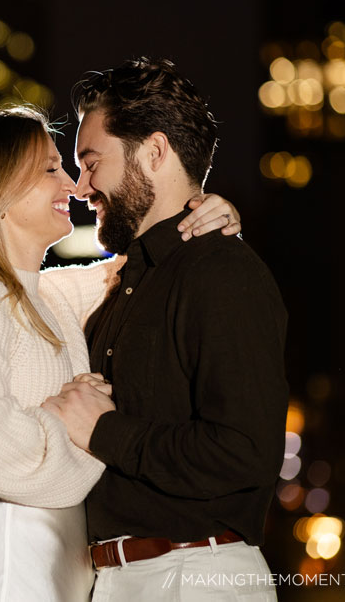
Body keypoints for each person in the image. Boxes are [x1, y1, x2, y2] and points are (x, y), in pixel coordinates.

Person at [0, 104, 242, 601]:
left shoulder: (43, 299)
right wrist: (84, 425)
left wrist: (208, 220)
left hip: (53, 567)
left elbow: (140, 274)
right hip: (14, 569)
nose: (73, 185)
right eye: (51, 169)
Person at [39, 57, 288, 601]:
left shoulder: (221, 272)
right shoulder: (120, 289)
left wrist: (105, 431)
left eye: (91, 162)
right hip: (116, 579)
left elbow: (244, 452)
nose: (81, 186)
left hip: (194, 578)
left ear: (154, 152)